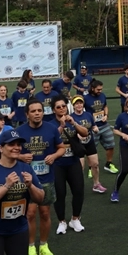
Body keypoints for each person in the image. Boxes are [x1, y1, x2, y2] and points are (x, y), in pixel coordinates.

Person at [17, 100, 66, 255]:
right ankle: (30, 247)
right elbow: (9, 153)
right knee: (30, 214)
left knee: (45, 213)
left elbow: (62, 148)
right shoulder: (20, 131)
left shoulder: (51, 128)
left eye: (39, 110)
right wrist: (21, 156)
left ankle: (43, 245)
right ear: (27, 114)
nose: (37, 113)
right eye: (33, 111)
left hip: (46, 179)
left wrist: (54, 156)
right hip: (27, 181)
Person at [51, 96, 87, 234]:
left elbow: (84, 133)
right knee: (60, 193)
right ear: (54, 110)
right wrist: (61, 126)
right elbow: (52, 139)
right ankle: (61, 222)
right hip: (58, 163)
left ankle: (75, 219)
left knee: (78, 190)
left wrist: (74, 123)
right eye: (58, 107)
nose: (61, 109)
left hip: (73, 161)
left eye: (63, 106)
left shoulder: (72, 120)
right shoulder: (50, 124)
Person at [70, 95, 105, 193]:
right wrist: (77, 135)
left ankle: (96, 184)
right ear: (73, 105)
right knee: (80, 167)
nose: (79, 105)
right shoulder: (71, 117)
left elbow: (93, 126)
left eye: (80, 103)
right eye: (77, 104)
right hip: (78, 145)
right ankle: (78, 187)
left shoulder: (88, 115)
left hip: (90, 142)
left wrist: (95, 129)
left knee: (95, 164)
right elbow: (69, 131)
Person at [84, 79, 119, 175]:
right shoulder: (85, 98)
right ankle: (91, 168)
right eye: (98, 89)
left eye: (101, 89)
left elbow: (105, 106)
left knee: (111, 145)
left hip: (104, 125)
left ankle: (108, 164)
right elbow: (82, 111)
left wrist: (106, 115)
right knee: (91, 149)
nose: (100, 91)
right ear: (92, 88)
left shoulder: (102, 96)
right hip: (92, 128)